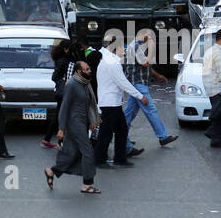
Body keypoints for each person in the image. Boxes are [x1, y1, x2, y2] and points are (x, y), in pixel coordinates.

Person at [44, 57, 99, 193]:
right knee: (88, 152)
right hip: (74, 124)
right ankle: (87, 184)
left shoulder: (85, 83)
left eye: (89, 68)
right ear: (79, 71)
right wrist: (61, 128)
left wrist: (92, 121)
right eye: (86, 69)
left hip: (82, 122)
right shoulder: (72, 84)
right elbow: (64, 107)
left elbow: (88, 104)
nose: (89, 71)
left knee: (72, 152)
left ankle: (51, 171)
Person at [94, 38, 145, 168]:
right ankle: (100, 159)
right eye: (122, 48)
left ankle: (119, 158)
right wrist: (140, 97)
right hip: (109, 103)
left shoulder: (109, 61)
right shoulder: (112, 63)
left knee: (121, 129)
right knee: (107, 132)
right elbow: (123, 83)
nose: (124, 51)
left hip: (112, 103)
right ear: (115, 49)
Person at [123, 32, 177, 149]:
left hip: (136, 84)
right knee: (150, 110)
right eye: (150, 38)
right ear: (145, 36)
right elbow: (145, 63)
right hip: (138, 84)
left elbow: (144, 66)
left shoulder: (137, 46)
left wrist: (157, 75)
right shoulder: (136, 47)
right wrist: (152, 49)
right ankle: (163, 137)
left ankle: (121, 137)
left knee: (129, 113)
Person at [202, 28, 221, 148]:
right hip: (217, 87)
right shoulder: (218, 52)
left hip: (210, 86)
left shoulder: (210, 50)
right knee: (220, 112)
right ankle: (212, 133)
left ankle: (216, 139)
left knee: (219, 112)